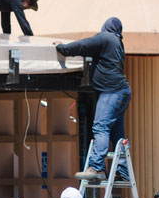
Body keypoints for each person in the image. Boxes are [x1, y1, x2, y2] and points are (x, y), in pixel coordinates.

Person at [55, 17, 131, 181]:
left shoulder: (105, 38)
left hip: (111, 92)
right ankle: (123, 170)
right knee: (117, 133)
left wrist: (62, 48)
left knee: (100, 127)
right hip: (121, 92)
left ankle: (97, 168)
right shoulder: (117, 42)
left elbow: (83, 45)